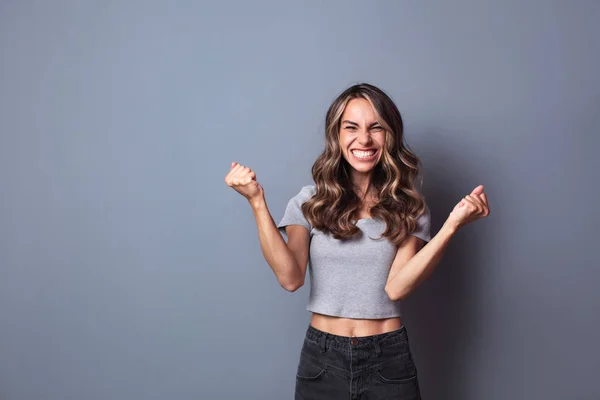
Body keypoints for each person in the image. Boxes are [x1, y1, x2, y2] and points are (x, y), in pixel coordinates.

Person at [224, 83, 490, 399]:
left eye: (376, 128)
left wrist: (451, 226)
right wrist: (256, 201)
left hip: (388, 358)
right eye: (352, 127)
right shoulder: (310, 201)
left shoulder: (410, 207)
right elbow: (290, 277)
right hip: (322, 358)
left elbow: (397, 288)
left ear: (390, 136)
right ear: (337, 135)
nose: (364, 139)